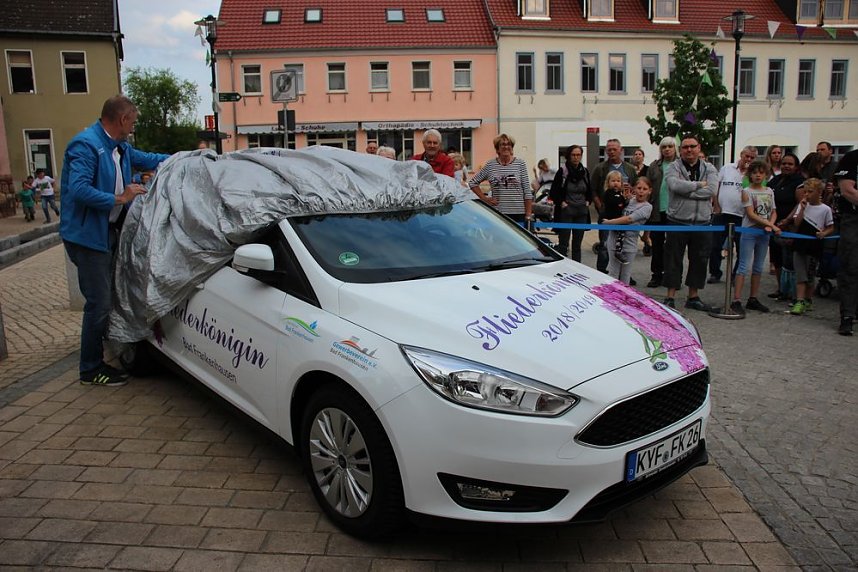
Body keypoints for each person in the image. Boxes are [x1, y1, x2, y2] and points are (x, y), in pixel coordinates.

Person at [60, 95, 171, 386]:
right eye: (132, 122)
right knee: (98, 303)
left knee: (107, 297)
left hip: (107, 232)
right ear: (122, 119)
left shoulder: (120, 146)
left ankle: (104, 347)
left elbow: (150, 159)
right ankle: (90, 369)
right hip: (88, 238)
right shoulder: (85, 145)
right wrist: (120, 197)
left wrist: (186, 157)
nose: (133, 128)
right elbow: (78, 189)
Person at [663, 135, 718, 311]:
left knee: (700, 260)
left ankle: (693, 296)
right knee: (673, 259)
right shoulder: (673, 167)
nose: (689, 150)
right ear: (681, 150)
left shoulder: (709, 168)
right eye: (685, 147)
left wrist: (687, 190)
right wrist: (698, 185)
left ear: (698, 147)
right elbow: (674, 185)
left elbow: (712, 189)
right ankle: (670, 297)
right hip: (677, 221)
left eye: (692, 146)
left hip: (702, 222)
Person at [731, 160, 780, 316]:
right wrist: (770, 225)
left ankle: (753, 298)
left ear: (766, 175)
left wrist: (770, 224)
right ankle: (736, 299)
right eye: (755, 173)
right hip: (750, 231)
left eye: (761, 173)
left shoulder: (769, 191)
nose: (758, 175)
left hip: (764, 233)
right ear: (750, 175)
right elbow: (751, 214)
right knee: (743, 266)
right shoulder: (747, 191)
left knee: (758, 266)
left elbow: (773, 211)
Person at [785, 179, 834, 315]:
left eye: (810, 192)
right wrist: (802, 209)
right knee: (800, 274)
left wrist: (823, 233)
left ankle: (808, 299)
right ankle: (799, 300)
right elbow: (797, 223)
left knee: (810, 276)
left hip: (814, 246)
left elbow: (830, 227)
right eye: (805, 192)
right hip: (800, 244)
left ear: (819, 192)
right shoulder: (802, 205)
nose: (807, 194)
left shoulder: (825, 209)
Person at [709, 146, 757, 283]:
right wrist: (716, 205)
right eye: (747, 156)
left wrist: (748, 175)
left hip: (742, 216)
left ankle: (736, 275)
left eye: (752, 157)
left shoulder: (753, 174)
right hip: (722, 213)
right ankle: (715, 273)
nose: (748, 159)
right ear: (741, 155)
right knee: (715, 245)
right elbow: (716, 187)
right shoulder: (727, 168)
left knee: (741, 247)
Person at [590, 139, 638, 273]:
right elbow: (593, 189)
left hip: (624, 214)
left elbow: (636, 187)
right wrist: (600, 205)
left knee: (622, 245)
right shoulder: (600, 168)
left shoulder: (630, 168)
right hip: (607, 214)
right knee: (605, 244)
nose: (611, 152)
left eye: (614, 149)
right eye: (609, 149)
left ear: (621, 150)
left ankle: (622, 272)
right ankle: (602, 272)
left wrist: (630, 192)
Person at [468, 133, 532, 223]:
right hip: (498, 212)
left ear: (512, 147)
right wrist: (484, 199)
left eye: (509, 144)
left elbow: (527, 191)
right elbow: (473, 183)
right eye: (503, 144)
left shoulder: (520, 164)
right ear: (497, 148)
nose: (506, 147)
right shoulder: (490, 165)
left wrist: (528, 214)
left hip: (519, 212)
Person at [768, 153, 805, 300]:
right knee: (776, 257)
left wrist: (788, 220)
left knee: (790, 260)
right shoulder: (775, 180)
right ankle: (781, 289)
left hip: (790, 226)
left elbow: (801, 204)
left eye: (790, 164)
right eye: (784, 163)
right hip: (774, 224)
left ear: (796, 166)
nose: (786, 166)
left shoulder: (799, 182)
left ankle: (793, 292)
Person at [604, 177, 653, 284]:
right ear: (634, 188)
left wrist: (610, 222)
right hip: (614, 241)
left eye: (644, 189)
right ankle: (612, 294)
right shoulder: (628, 200)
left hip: (629, 244)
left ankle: (623, 294)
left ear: (649, 191)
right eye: (639, 188)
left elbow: (629, 219)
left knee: (625, 275)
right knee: (613, 272)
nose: (641, 191)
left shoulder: (647, 207)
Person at [549, 145, 591, 261]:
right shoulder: (563, 171)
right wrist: (562, 203)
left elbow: (589, 190)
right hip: (566, 211)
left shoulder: (585, 171)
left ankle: (577, 266)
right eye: (573, 155)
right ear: (569, 156)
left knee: (577, 244)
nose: (576, 157)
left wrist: (588, 201)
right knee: (563, 243)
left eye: (578, 155)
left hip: (581, 211)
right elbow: (554, 192)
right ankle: (562, 266)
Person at [645, 137, 677, 287]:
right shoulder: (654, 166)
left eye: (670, 146)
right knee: (657, 245)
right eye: (664, 147)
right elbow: (647, 185)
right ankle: (656, 275)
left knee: (673, 246)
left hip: (675, 212)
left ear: (675, 148)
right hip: (657, 210)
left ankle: (672, 276)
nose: (667, 149)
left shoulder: (680, 165)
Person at [834, 148, 858, 335]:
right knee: (851, 267)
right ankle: (848, 316)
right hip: (854, 219)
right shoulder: (852, 158)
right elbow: (847, 190)